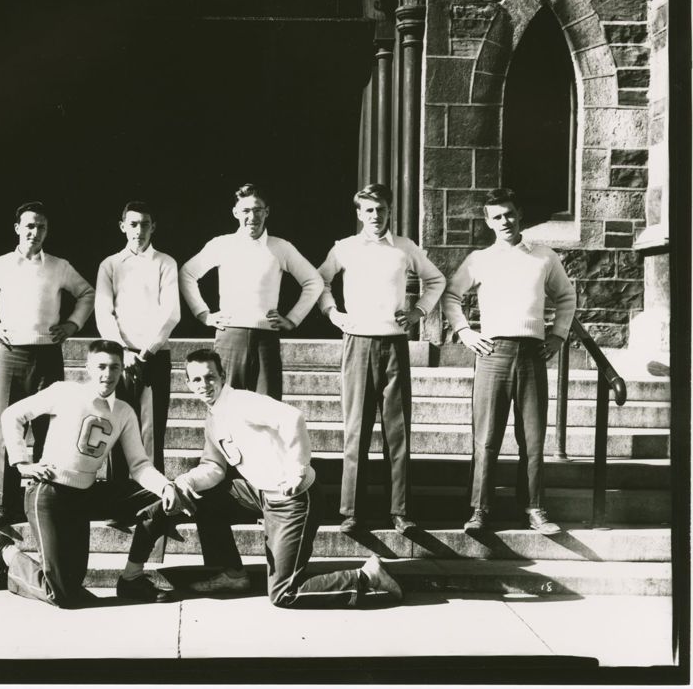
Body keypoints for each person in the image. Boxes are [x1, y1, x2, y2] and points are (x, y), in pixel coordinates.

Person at [165, 349, 403, 608]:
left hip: (294, 498)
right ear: (188, 384)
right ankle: (233, 575)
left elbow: (292, 417)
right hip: (260, 492)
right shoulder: (213, 416)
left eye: (210, 377)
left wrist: (297, 470)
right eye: (197, 380)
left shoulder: (241, 402)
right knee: (204, 497)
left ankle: (366, 577)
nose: (204, 385)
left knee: (283, 594)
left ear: (222, 376)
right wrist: (185, 482)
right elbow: (214, 467)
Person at [0, 340, 195, 607]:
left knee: (163, 498)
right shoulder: (64, 392)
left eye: (115, 367)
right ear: (88, 367)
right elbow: (12, 414)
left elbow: (139, 465)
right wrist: (22, 462)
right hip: (50, 493)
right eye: (101, 366)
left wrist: (166, 487)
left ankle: (132, 578)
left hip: (86, 495)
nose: (108, 374)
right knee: (64, 595)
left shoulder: (124, 411)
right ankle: (9, 555)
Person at [441, 188, 576, 535]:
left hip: (531, 354)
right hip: (492, 354)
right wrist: (465, 332)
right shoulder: (479, 259)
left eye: (510, 214)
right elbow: (452, 295)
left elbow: (566, 296)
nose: (505, 221)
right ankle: (480, 510)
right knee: (486, 437)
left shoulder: (544, 257)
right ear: (488, 221)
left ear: (520, 215)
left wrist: (559, 335)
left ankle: (534, 508)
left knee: (532, 436)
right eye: (497, 216)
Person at [317, 183, 446, 534]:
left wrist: (419, 311)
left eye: (381, 209)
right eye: (369, 210)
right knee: (356, 429)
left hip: (393, 345)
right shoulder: (344, 248)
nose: (376, 216)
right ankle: (351, 512)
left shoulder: (404, 248)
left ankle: (400, 511)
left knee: (397, 430)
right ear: (359, 213)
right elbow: (319, 282)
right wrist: (333, 313)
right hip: (357, 343)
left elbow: (436, 279)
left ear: (390, 211)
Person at [0, 201, 95, 530]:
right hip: (12, 355)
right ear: (18, 228)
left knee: (49, 430)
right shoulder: (0, 265)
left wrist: (73, 325)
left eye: (41, 227)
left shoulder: (59, 266)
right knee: (10, 427)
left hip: (48, 355)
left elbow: (87, 293)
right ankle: (5, 503)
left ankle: (44, 499)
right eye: (30, 226)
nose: (35, 233)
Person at [179, 183, 323, 400]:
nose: (252, 216)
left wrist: (293, 319)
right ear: (236, 213)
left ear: (267, 212)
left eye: (257, 210)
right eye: (246, 211)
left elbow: (314, 281)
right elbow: (187, 274)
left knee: (268, 407)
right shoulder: (222, 244)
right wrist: (204, 314)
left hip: (266, 339)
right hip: (230, 337)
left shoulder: (280, 247)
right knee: (225, 402)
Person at [95, 200, 180, 480]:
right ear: (122, 227)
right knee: (118, 424)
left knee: (151, 430)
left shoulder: (165, 263)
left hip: (152, 358)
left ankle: (150, 500)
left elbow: (171, 312)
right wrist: (122, 353)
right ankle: (118, 496)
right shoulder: (110, 265)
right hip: (121, 360)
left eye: (145, 224)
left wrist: (145, 352)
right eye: (133, 224)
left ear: (153, 227)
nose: (139, 230)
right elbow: (103, 312)